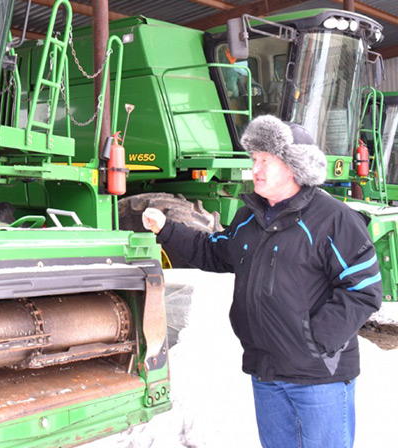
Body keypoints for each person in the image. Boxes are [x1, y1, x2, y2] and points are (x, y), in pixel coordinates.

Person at [142, 115, 382, 448]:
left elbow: (363, 287)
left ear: (293, 167)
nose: (255, 168)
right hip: (266, 373)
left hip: (318, 377)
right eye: (254, 159)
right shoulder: (249, 219)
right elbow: (214, 252)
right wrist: (167, 229)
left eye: (265, 160)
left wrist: (315, 342)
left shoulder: (333, 219)